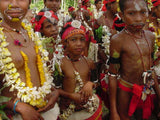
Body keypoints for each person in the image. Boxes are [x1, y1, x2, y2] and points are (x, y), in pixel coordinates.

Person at [0, 0, 59, 120]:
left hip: (45, 111)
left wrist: (53, 92)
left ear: (29, 2)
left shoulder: (29, 32)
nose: (14, 4)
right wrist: (18, 106)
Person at [108, 0, 160, 120]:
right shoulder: (118, 40)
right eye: (131, 13)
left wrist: (158, 94)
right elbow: (112, 74)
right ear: (121, 16)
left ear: (149, 12)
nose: (138, 19)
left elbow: (150, 68)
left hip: (146, 89)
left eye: (143, 12)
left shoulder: (150, 37)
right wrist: (114, 111)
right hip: (126, 90)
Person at [52, 20, 102, 120]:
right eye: (73, 40)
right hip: (67, 110)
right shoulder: (59, 64)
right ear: (65, 42)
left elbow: (96, 82)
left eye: (82, 40)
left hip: (87, 108)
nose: (79, 44)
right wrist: (71, 96)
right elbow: (54, 89)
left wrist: (90, 84)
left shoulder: (89, 62)